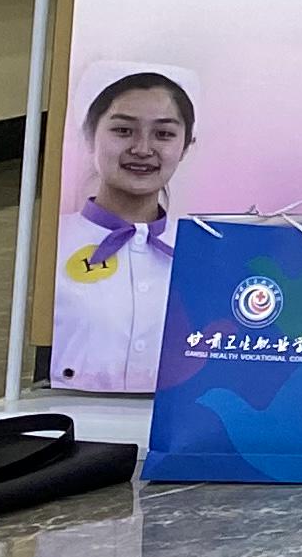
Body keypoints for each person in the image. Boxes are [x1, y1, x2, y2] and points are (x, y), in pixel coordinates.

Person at [49, 68, 196, 394]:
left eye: (164, 134)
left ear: (185, 147)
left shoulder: (203, 253)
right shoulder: (49, 244)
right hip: (72, 421)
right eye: (123, 130)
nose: (142, 149)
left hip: (173, 425)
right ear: (89, 136)